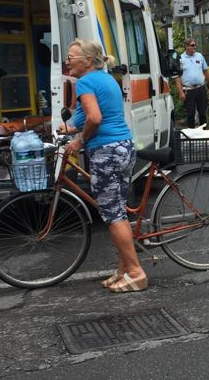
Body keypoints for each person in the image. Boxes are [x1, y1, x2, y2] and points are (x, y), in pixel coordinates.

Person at [62, 38, 147, 293]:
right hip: (123, 146)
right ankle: (123, 269)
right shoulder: (106, 78)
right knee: (118, 211)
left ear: (87, 61)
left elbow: (95, 118)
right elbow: (96, 115)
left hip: (105, 151)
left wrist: (79, 141)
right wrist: (66, 128)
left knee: (112, 215)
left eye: (71, 56)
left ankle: (135, 272)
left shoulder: (86, 82)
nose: (68, 61)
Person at [175, 38, 209, 128]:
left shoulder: (199, 56)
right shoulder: (180, 59)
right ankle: (192, 136)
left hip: (201, 88)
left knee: (203, 113)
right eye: (192, 45)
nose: (195, 47)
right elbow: (177, 77)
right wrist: (180, 92)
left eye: (195, 45)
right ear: (186, 46)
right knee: (190, 114)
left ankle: (204, 133)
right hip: (188, 90)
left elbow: (206, 71)